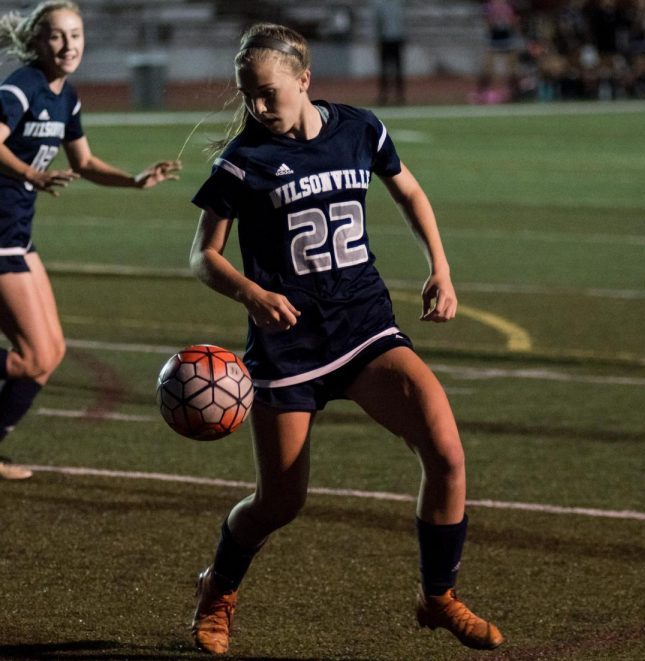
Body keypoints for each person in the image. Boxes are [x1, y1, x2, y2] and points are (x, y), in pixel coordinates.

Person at [187, 22, 504, 655]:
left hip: (364, 329)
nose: (257, 106)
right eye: (248, 93)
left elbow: (409, 191)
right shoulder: (242, 160)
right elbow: (202, 255)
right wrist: (252, 293)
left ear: (305, 80)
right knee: (279, 503)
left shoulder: (360, 128)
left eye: (269, 91)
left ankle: (437, 596)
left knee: (446, 454)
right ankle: (217, 589)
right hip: (287, 350)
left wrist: (440, 268)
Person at [0, 1, 180, 480]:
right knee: (31, 357)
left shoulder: (66, 96)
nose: (68, 45)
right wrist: (28, 174)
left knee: (49, 355)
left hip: (16, 234)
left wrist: (134, 180)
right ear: (38, 41)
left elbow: (83, 162)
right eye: (57, 36)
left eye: (76, 35)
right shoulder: (21, 87)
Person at [370, 0, 407, 106]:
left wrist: (403, 38)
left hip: (396, 40)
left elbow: (402, 23)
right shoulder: (380, 5)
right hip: (384, 40)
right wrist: (377, 40)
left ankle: (399, 96)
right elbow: (377, 24)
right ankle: (383, 95)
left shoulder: (398, 4)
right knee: (384, 70)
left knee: (398, 69)